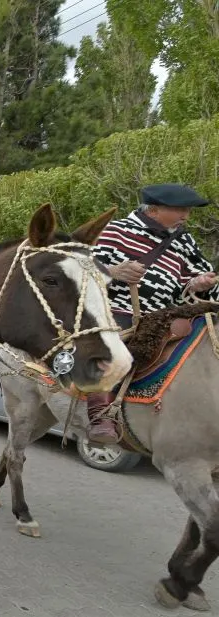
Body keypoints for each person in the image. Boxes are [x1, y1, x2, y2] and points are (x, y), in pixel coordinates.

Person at [86, 183, 218, 444]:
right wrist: (115, 272)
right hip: (116, 309)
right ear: (154, 209)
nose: (186, 217)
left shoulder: (184, 241)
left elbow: (191, 282)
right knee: (113, 346)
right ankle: (101, 415)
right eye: (180, 210)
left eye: (188, 211)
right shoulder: (116, 231)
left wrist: (198, 284)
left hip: (164, 314)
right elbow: (80, 270)